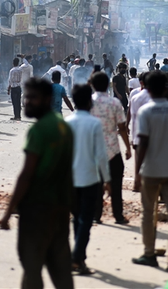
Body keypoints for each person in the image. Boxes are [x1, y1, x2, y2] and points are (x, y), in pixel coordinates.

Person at [0, 78, 74, 289]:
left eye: (33, 98)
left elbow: (26, 175)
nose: (27, 102)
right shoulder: (63, 126)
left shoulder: (39, 130)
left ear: (47, 99)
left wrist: (8, 211)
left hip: (37, 209)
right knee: (60, 268)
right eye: (26, 97)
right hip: (61, 206)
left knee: (32, 267)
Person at [133, 71, 168, 267]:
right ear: (166, 88)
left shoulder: (145, 111)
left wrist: (137, 173)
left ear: (147, 89)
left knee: (148, 212)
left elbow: (143, 143)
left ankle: (149, 253)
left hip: (151, 170)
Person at [65, 84, 111, 275]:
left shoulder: (67, 122)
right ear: (89, 102)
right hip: (90, 178)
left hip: (70, 179)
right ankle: (77, 256)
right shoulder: (94, 123)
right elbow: (101, 154)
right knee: (86, 219)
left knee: (77, 218)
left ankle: (78, 258)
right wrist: (107, 179)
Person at [90, 72, 132, 224]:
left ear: (93, 85)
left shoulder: (88, 102)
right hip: (113, 150)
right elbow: (122, 128)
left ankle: (96, 215)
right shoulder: (114, 103)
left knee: (96, 184)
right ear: (108, 85)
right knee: (116, 184)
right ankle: (118, 215)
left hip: (93, 150)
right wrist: (128, 148)